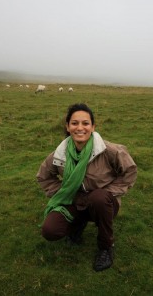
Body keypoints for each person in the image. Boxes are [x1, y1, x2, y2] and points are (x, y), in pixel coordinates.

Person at [36, 103, 137, 272]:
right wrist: (65, 192)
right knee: (50, 230)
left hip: (103, 203)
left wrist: (110, 193)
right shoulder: (59, 154)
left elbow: (129, 171)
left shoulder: (109, 150)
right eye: (74, 123)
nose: (80, 128)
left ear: (93, 126)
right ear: (68, 127)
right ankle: (78, 223)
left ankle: (106, 247)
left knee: (98, 198)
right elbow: (44, 176)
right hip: (74, 200)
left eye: (85, 123)